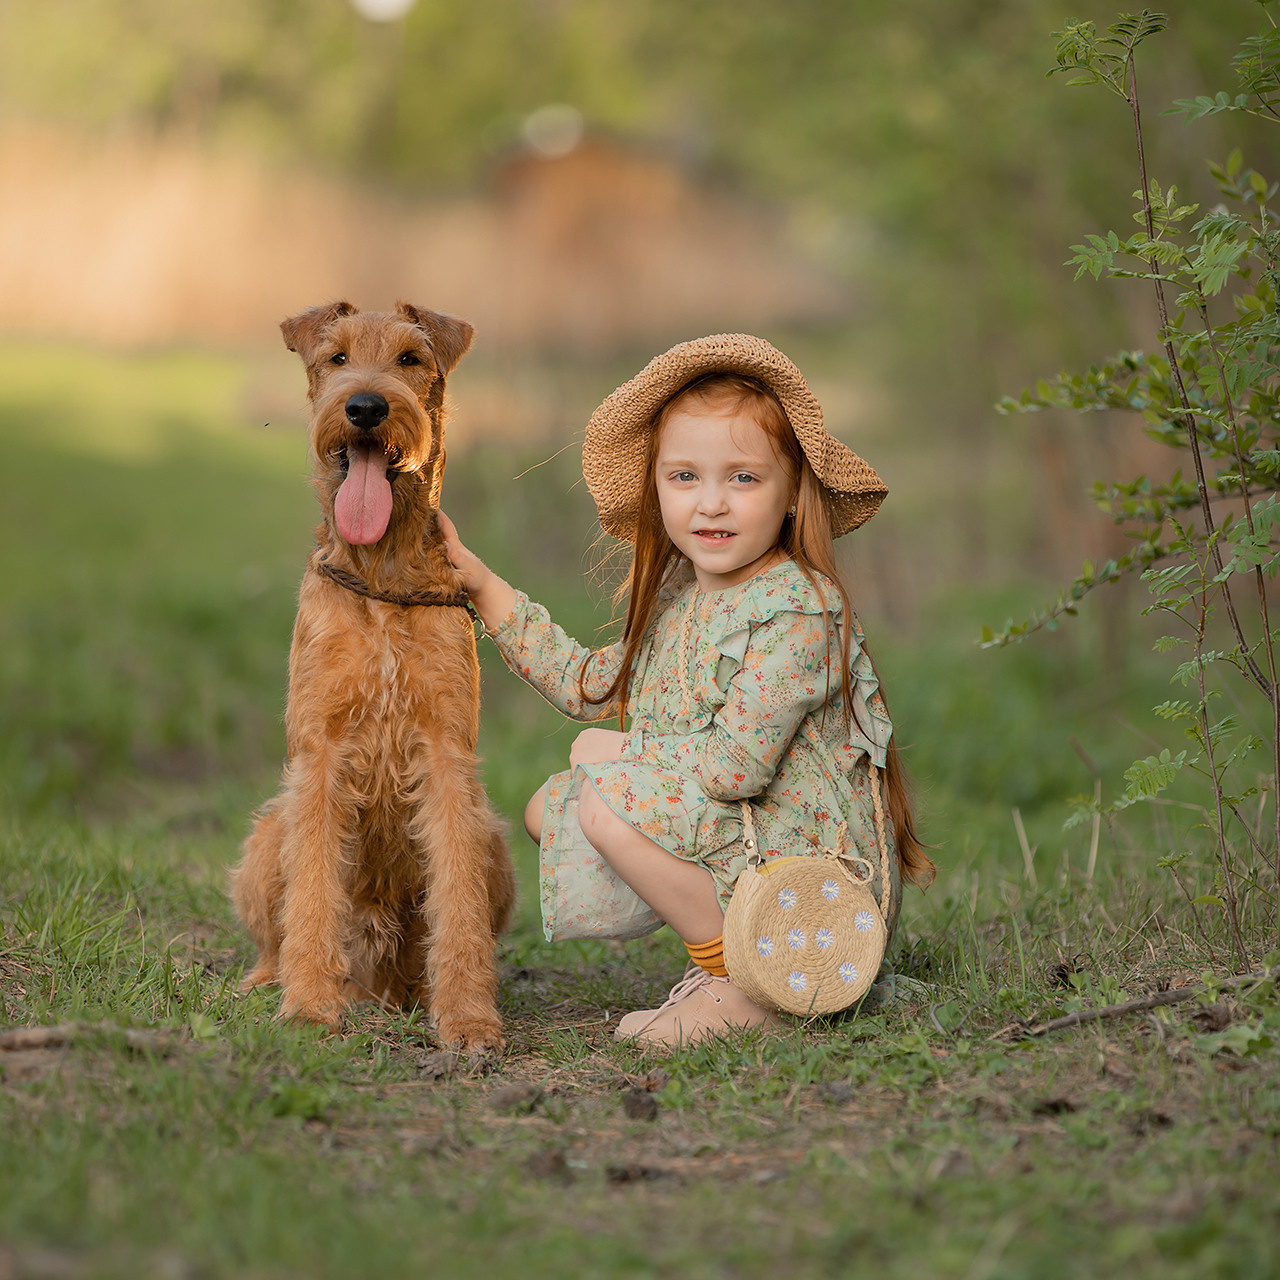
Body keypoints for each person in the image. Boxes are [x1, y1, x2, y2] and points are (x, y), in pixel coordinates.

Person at [440, 333, 934, 1048]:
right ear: (657, 487)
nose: (712, 504)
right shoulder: (681, 599)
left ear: (794, 491)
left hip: (810, 902)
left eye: (743, 479)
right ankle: (726, 966)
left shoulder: (797, 609)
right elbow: (589, 685)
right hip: (755, 849)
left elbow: (737, 768)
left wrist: (617, 763)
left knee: (602, 793)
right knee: (562, 799)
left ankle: (746, 989)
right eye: (683, 477)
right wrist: (484, 588)